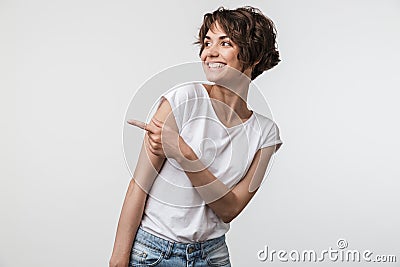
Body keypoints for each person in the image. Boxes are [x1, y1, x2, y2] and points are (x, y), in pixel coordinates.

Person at [109, 6, 283, 267]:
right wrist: (118, 261)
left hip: (213, 257)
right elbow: (138, 187)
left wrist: (183, 152)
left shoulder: (266, 134)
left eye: (225, 43)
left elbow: (229, 209)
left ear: (254, 56)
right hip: (152, 254)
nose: (209, 52)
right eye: (207, 42)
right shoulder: (182, 101)